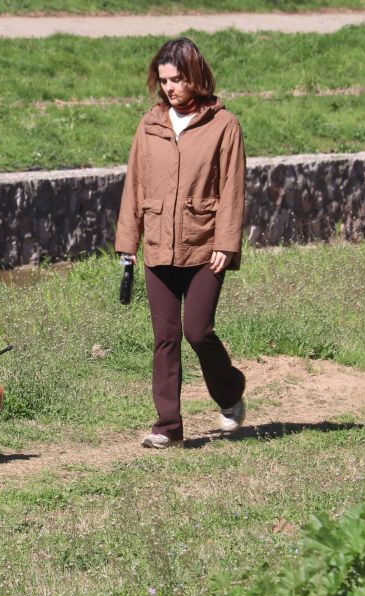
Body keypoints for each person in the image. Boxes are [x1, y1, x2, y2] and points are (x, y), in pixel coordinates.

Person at [114, 37, 247, 449]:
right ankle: (168, 426)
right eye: (164, 80)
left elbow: (232, 189)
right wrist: (127, 241)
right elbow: (134, 183)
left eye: (177, 79)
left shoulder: (224, 125)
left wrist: (226, 241)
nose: (170, 87)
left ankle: (229, 391)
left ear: (196, 77)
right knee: (165, 339)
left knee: (198, 331)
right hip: (157, 246)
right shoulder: (149, 124)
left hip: (205, 247)